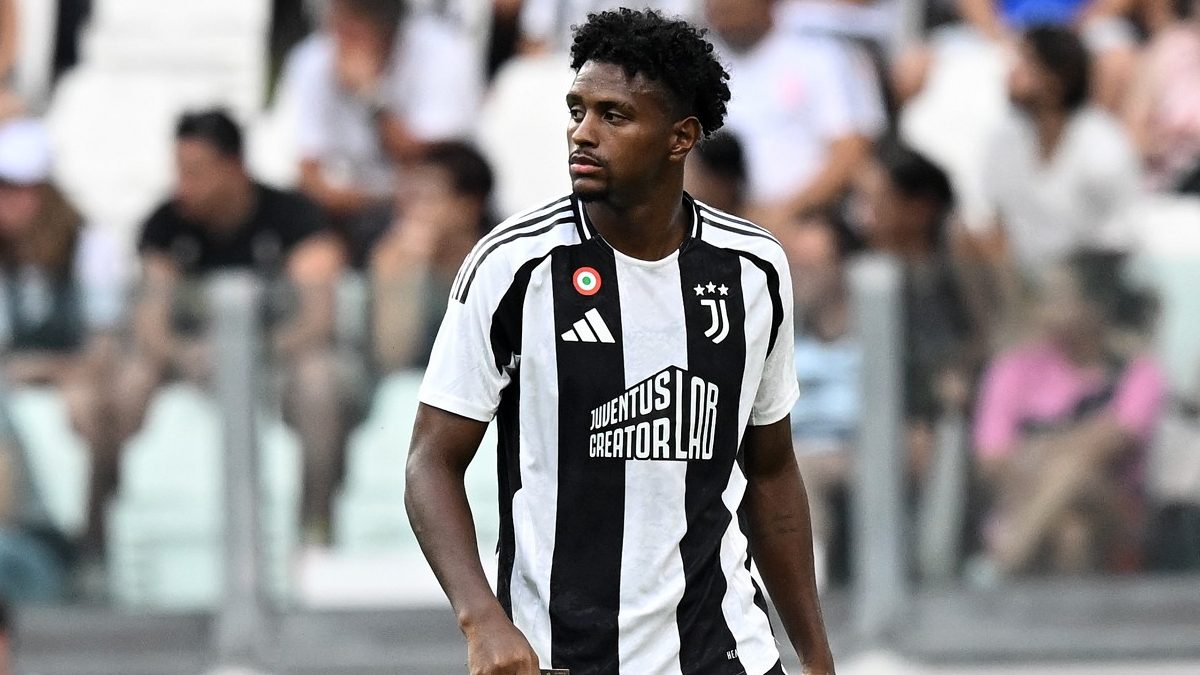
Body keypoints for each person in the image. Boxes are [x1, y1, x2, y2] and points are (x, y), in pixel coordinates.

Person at [406, 8, 834, 675]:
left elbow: (772, 470)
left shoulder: (753, 270)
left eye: (614, 115)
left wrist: (815, 654)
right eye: (577, 110)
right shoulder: (513, 267)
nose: (582, 132)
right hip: (563, 655)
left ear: (680, 137)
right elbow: (430, 461)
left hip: (725, 652)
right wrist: (481, 617)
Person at [104, 109, 351, 550]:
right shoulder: (165, 225)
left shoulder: (295, 217)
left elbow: (316, 320)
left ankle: (315, 529)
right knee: (126, 382)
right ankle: (98, 533)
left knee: (321, 383)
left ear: (233, 167)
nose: (183, 186)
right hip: (194, 361)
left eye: (195, 172)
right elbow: (151, 326)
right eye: (179, 171)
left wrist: (248, 351)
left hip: (279, 359)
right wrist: (185, 354)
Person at [973, 252, 1166, 575]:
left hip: (1114, 511)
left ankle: (1002, 566)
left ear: (1095, 307)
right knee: (1072, 533)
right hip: (1025, 502)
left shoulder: (1137, 372)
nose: (1046, 310)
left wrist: (1039, 451)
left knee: (1073, 468)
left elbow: (1115, 439)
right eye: (1044, 298)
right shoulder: (1014, 369)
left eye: (1059, 298)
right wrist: (1062, 457)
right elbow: (992, 458)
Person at [0, 117, 121, 561]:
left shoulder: (91, 246)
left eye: (19, 190)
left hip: (74, 373)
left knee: (92, 409)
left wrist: (43, 370)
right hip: (17, 378)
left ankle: (92, 539)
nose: (9, 202)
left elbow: (104, 348)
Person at [289, 0, 482, 260]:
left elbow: (434, 163)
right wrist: (376, 200)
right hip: (353, 208)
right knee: (315, 257)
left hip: (431, 203)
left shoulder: (445, 52)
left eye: (350, 27)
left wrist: (372, 96)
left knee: (416, 235)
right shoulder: (313, 60)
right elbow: (309, 176)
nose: (338, 36)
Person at [976, 26, 1141, 319]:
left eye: (1025, 63)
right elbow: (997, 227)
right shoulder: (1002, 140)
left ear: (1058, 78)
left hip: (1090, 300)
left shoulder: (1103, 146)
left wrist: (1065, 294)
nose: (1011, 72)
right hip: (1020, 294)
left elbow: (1116, 246)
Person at [705, 0, 886, 233]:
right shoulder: (698, 60)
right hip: (713, 219)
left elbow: (851, 149)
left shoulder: (819, 53)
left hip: (807, 219)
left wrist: (785, 212)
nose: (720, 5)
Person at [371, 141, 496, 371]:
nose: (411, 210)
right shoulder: (394, 255)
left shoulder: (501, 262)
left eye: (426, 198)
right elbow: (393, 357)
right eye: (409, 197)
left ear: (468, 206)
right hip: (412, 380)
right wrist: (407, 272)